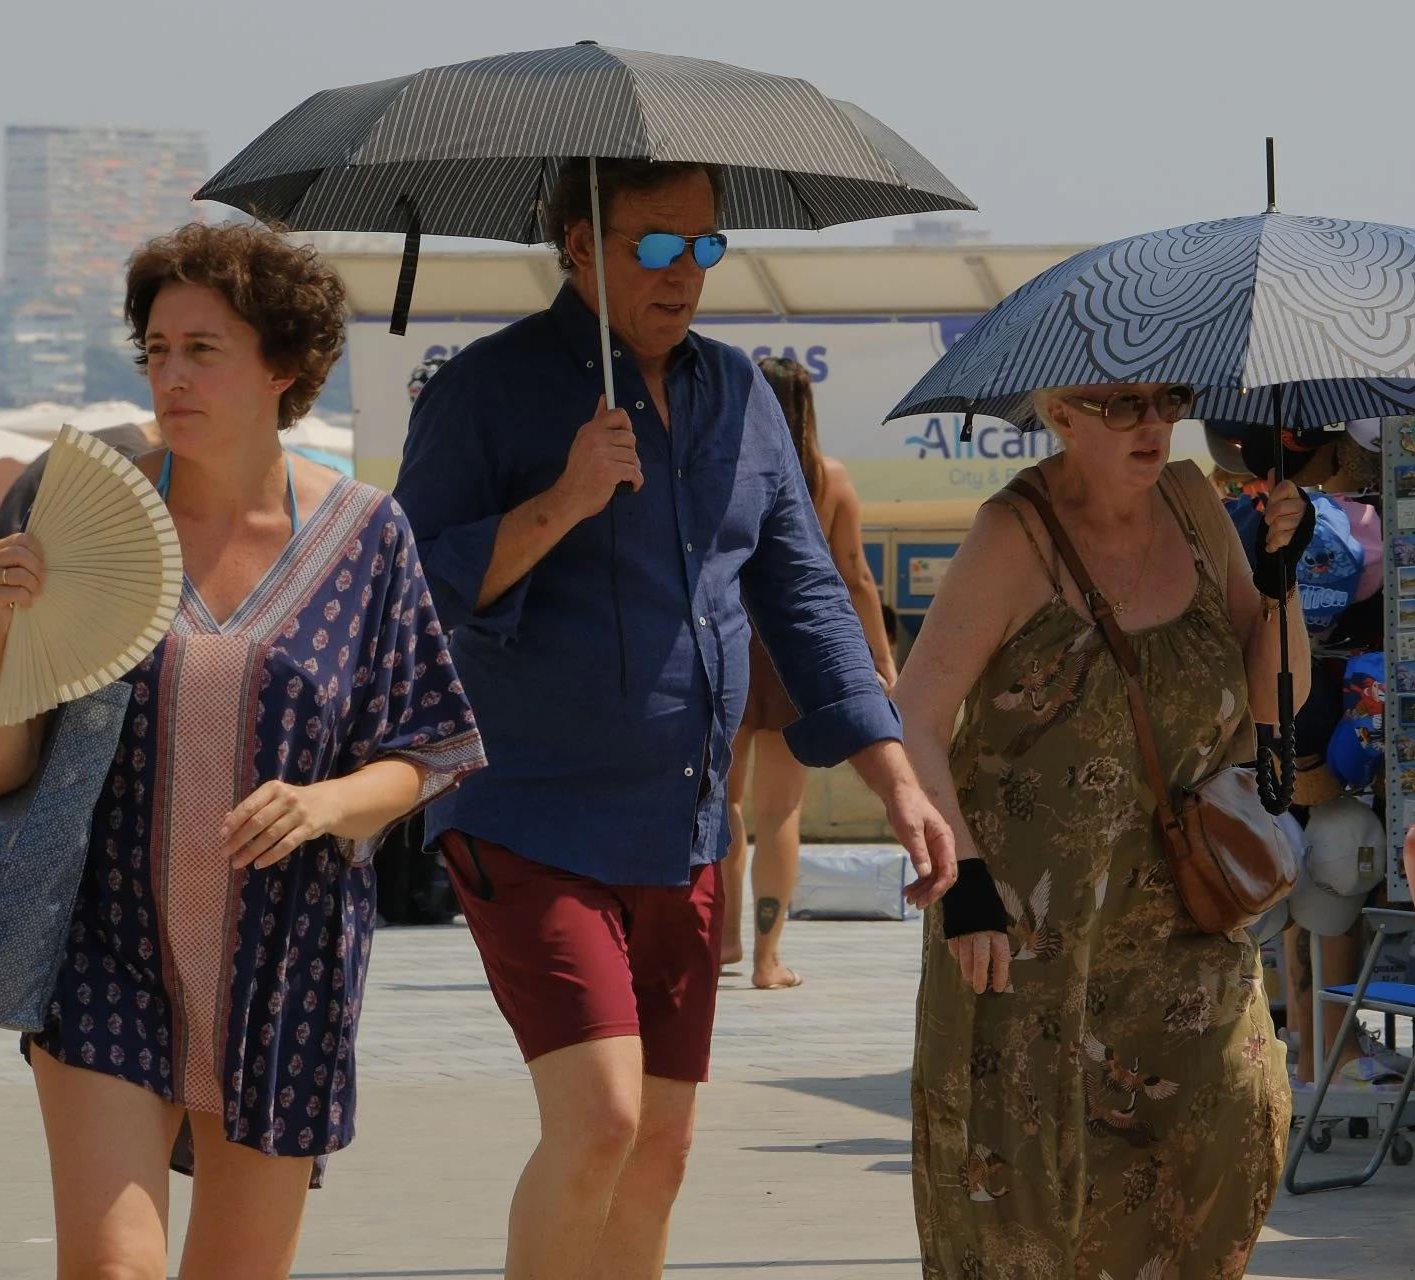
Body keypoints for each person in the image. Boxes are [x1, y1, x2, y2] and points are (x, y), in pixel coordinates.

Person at [393, 156, 955, 1280]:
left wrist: (896, 776)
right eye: (656, 244)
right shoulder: (483, 391)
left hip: (688, 830)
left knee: (660, 1149)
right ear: (579, 245)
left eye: (706, 246)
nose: (686, 271)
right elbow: (408, 592)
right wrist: (565, 500)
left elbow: (805, 595)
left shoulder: (741, 395)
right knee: (602, 1119)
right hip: (530, 821)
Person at [0, 222, 483, 1280]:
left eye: (203, 349)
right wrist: (5, 630)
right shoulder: (86, 522)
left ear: (283, 366)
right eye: (158, 349)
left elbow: (426, 748)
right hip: (101, 945)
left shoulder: (366, 534)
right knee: (113, 1266)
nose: (171, 376)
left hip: (287, 959)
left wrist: (327, 803)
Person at [896, 384, 1308, 1278]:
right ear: (1060, 415)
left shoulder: (1195, 506)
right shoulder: (1014, 533)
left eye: (1167, 399)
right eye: (1120, 405)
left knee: (1236, 1134)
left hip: (1187, 917)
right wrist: (964, 884)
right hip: (1029, 943)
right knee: (1033, 1210)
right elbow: (914, 720)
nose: (1152, 423)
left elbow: (1277, 701)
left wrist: (1282, 582)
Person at [721, 355, 899, 988]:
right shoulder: (829, 478)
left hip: (731, 642)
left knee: (724, 803)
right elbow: (857, 576)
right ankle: (767, 960)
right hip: (794, 650)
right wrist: (880, 657)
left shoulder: (730, 465)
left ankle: (725, 941)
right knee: (780, 813)